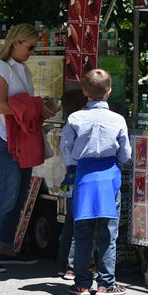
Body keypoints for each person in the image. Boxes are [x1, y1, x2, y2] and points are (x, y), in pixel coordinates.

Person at [0, 23, 57, 273]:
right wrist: (33, 107)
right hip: (6, 140)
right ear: (15, 43)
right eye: (30, 47)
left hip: (22, 139)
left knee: (19, 195)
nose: (31, 52)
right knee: (7, 195)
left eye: (34, 48)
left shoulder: (21, 68)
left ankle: (6, 247)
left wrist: (40, 108)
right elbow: (0, 106)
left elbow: (19, 106)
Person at [60, 69, 131, 295]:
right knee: (108, 234)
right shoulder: (118, 120)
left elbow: (66, 151)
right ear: (108, 91)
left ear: (84, 92)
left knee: (82, 232)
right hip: (109, 177)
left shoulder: (74, 119)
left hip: (84, 178)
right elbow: (126, 154)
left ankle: (81, 283)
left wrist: (76, 164)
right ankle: (105, 284)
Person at [55, 88, 89, 282]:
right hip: (80, 175)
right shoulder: (79, 124)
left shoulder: (69, 124)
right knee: (80, 223)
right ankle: (71, 266)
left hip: (70, 176)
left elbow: (66, 154)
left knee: (70, 223)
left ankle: (62, 264)